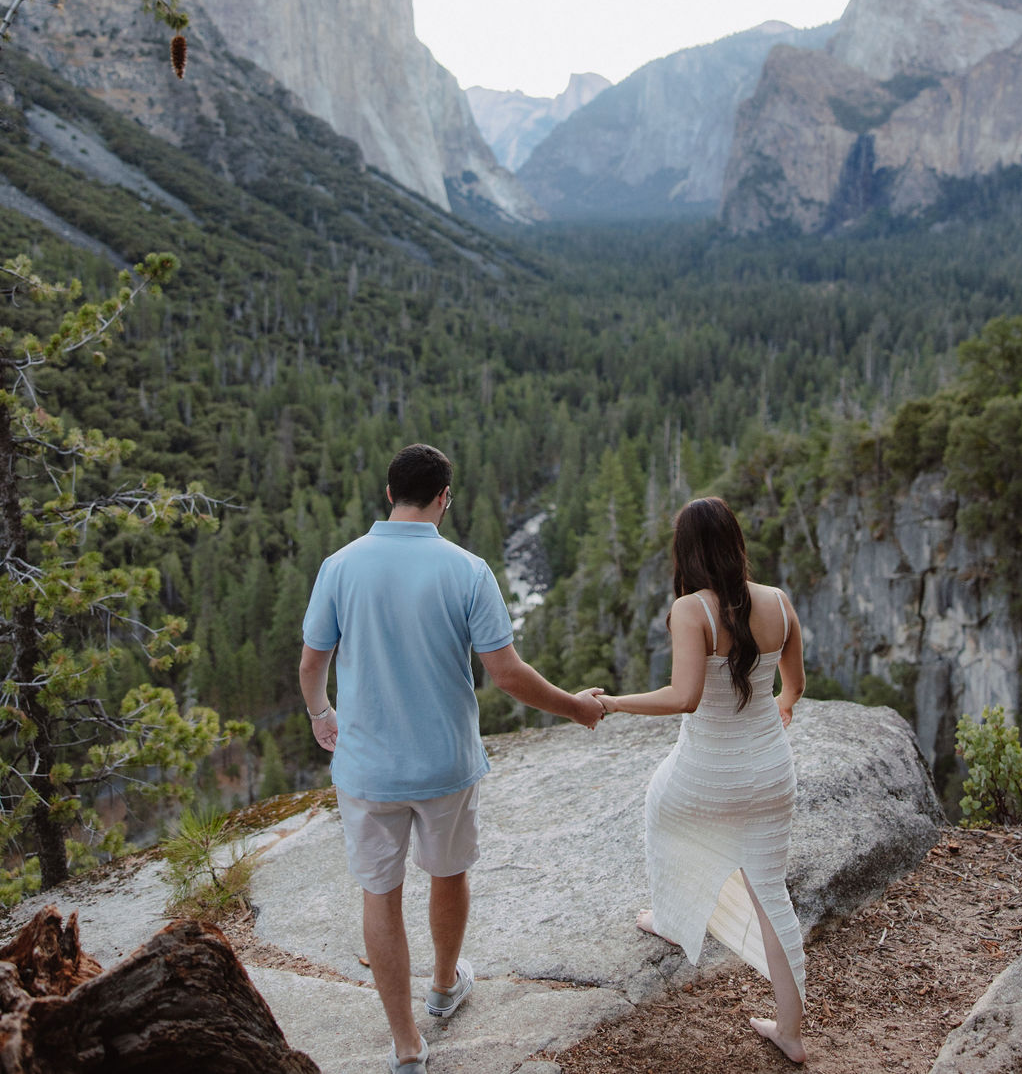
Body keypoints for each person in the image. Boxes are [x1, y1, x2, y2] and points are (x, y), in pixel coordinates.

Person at [299, 443, 605, 1074]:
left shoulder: (340, 565)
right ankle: (444, 985)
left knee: (379, 895)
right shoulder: (469, 570)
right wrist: (576, 708)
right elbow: (508, 676)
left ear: (389, 494)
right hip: (445, 763)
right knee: (447, 872)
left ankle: (407, 1044)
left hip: (369, 769)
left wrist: (320, 713)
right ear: (445, 498)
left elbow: (311, 664)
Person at [597, 495, 808, 1065]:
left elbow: (684, 697)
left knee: (659, 811)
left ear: (685, 552)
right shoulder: (779, 603)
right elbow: (795, 683)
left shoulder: (692, 609)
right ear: (736, 542)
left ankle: (673, 918)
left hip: (708, 774)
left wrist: (613, 702)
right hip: (770, 772)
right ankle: (790, 1032)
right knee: (773, 896)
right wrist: (782, 707)